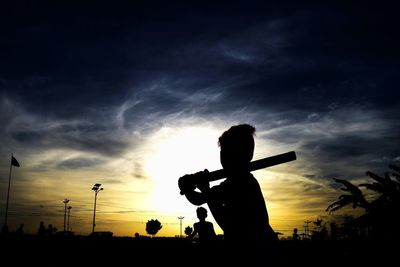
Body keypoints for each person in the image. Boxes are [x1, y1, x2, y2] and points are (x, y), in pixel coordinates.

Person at [179, 124, 278, 245]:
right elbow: (198, 199)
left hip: (259, 250)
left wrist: (205, 189)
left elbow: (229, 223)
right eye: (223, 151)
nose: (225, 156)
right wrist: (187, 189)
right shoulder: (228, 184)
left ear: (247, 155)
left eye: (231, 152)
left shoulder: (244, 183)